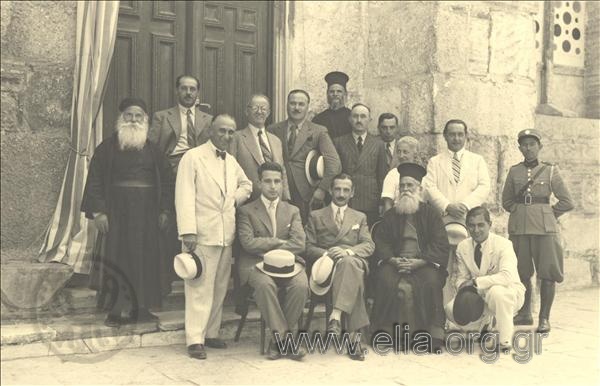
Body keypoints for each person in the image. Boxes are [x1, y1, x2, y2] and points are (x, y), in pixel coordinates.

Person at [82, 97, 174, 327]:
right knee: (117, 260)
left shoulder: (154, 151)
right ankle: (115, 311)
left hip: (147, 216)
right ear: (121, 118)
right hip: (117, 215)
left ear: (146, 121)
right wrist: (99, 213)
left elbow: (168, 182)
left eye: (138, 116)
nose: (133, 120)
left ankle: (141, 309)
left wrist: (164, 210)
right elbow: (94, 180)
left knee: (145, 260)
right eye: (129, 116)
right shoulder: (106, 148)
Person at [175, 114, 252, 359]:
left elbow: (247, 185)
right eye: (222, 131)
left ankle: (211, 333)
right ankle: (194, 339)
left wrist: (233, 200)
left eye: (231, 132)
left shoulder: (230, 160)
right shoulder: (193, 156)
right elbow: (184, 194)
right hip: (201, 233)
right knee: (199, 287)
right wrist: (188, 231)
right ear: (210, 130)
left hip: (224, 233)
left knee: (219, 286)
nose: (227, 136)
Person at [371, 163, 450, 352]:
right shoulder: (391, 215)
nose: (406, 190)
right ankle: (389, 335)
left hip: (422, 263)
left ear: (420, 189)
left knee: (430, 282)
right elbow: (381, 243)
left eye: (410, 186)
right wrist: (392, 260)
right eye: (403, 186)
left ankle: (432, 337)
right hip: (395, 261)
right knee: (385, 279)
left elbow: (439, 244)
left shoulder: (431, 214)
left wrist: (419, 262)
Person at [502, 129, 574, 333]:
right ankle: (525, 313)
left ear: (539, 147)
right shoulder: (514, 171)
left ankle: (544, 318)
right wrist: (521, 212)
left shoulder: (550, 171)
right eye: (524, 144)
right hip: (520, 229)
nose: (528, 148)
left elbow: (567, 201)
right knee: (521, 272)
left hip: (545, 230)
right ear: (519, 148)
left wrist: (548, 214)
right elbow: (506, 201)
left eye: (532, 144)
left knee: (548, 273)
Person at [149, 74, 214, 294]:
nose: (188, 93)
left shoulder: (208, 119)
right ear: (177, 91)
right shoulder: (162, 117)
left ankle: (198, 274)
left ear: (198, 93)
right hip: (172, 171)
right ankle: (167, 277)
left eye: (192, 89)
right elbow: (153, 149)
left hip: (201, 175)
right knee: (171, 225)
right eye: (184, 88)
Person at [237, 162, 307, 360]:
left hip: (288, 264)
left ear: (282, 183)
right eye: (268, 181)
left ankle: (277, 342)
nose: (273, 186)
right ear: (259, 183)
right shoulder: (246, 211)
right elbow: (248, 243)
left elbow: (299, 243)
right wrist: (277, 242)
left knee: (301, 285)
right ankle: (285, 341)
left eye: (277, 181)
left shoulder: (292, 210)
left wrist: (268, 249)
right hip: (255, 264)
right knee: (265, 285)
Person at [305, 174, 374, 361]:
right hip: (327, 266)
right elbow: (308, 246)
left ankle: (335, 315)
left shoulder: (360, 217)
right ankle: (354, 341)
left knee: (350, 264)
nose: (341, 194)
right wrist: (328, 254)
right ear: (330, 190)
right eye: (337, 189)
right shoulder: (316, 216)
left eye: (346, 190)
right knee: (353, 278)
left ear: (353, 193)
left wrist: (349, 252)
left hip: (353, 259)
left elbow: (368, 245)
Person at [422, 119, 491, 304]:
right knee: (444, 265)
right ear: (445, 136)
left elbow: (484, 186)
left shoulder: (477, 161)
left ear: (466, 137)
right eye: (452, 134)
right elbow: (429, 186)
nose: (456, 138)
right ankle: (445, 308)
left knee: (468, 265)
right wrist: (447, 205)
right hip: (443, 219)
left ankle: (468, 310)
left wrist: (465, 206)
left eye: (460, 134)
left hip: (468, 220)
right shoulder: (435, 161)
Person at [445, 206, 525, 351]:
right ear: (467, 226)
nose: (476, 230)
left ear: (490, 225)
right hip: (479, 294)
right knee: (450, 310)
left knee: (497, 293)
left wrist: (476, 282)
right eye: (471, 225)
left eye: (481, 225)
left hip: (508, 292)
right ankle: (485, 324)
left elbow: (507, 276)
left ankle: (504, 340)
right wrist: (463, 287)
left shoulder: (504, 245)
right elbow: (461, 277)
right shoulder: (463, 247)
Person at [268, 89, 341, 223]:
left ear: (308, 107)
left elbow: (334, 163)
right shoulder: (273, 130)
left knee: (303, 231)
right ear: (286, 105)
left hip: (305, 193)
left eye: (301, 104)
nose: (296, 108)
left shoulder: (318, 131)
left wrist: (322, 189)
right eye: (293, 103)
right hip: (278, 191)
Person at [333, 103, 387, 226]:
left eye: (363, 116)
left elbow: (382, 175)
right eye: (355, 116)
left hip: (369, 199)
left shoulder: (378, 144)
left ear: (369, 120)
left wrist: (381, 202)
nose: (359, 120)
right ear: (350, 119)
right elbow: (335, 172)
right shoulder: (339, 142)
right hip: (346, 197)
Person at [229, 94, 290, 202]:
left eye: (263, 108)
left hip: (275, 201)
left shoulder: (276, 140)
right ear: (247, 111)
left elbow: (282, 170)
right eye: (255, 108)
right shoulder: (236, 138)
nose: (259, 112)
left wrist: (285, 198)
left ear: (269, 113)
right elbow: (230, 171)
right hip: (248, 202)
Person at [380, 136, 420, 213]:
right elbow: (387, 204)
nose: (401, 156)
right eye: (399, 152)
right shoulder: (392, 174)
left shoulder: (422, 174)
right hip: (398, 216)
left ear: (415, 154)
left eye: (405, 152)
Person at [312, 71, 352, 139]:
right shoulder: (318, 119)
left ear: (345, 94)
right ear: (327, 94)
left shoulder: (352, 117)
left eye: (339, 91)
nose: (335, 94)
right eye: (332, 91)